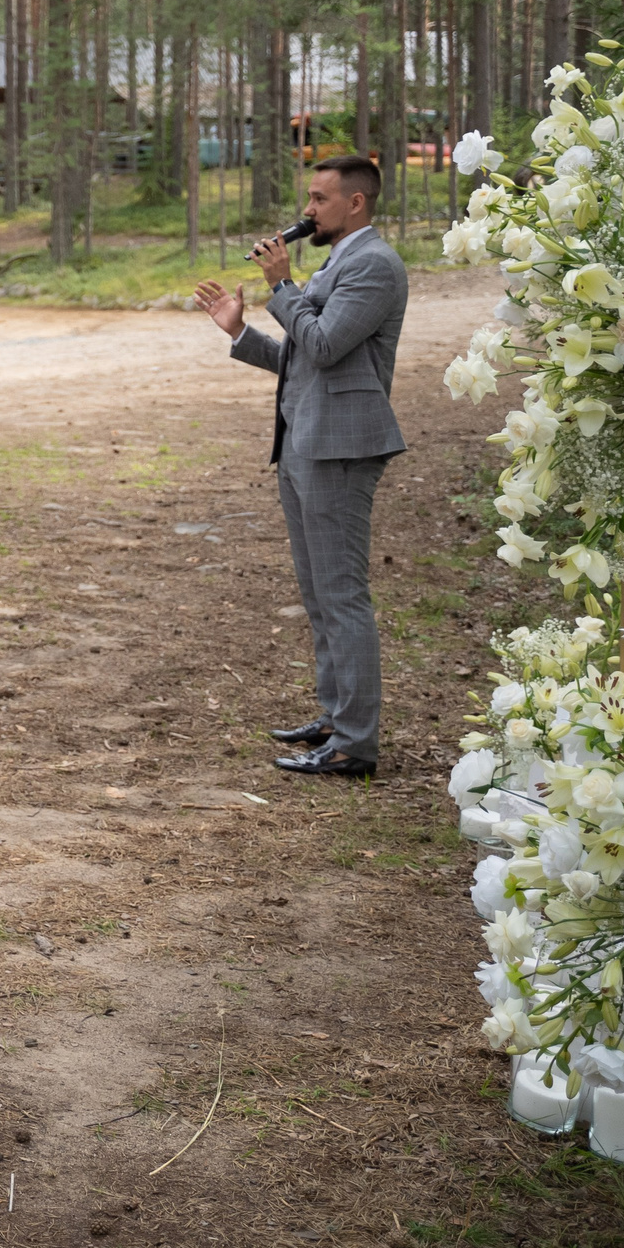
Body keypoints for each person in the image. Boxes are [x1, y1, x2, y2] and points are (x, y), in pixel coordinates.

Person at [195, 156, 406, 780]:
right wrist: (240, 333)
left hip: (340, 448)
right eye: (309, 199)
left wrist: (281, 286)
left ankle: (354, 745)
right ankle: (337, 715)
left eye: (318, 198)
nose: (306, 210)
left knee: (342, 595)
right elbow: (302, 357)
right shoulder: (340, 261)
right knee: (319, 593)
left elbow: (321, 343)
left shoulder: (374, 265)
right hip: (305, 442)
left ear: (355, 204)